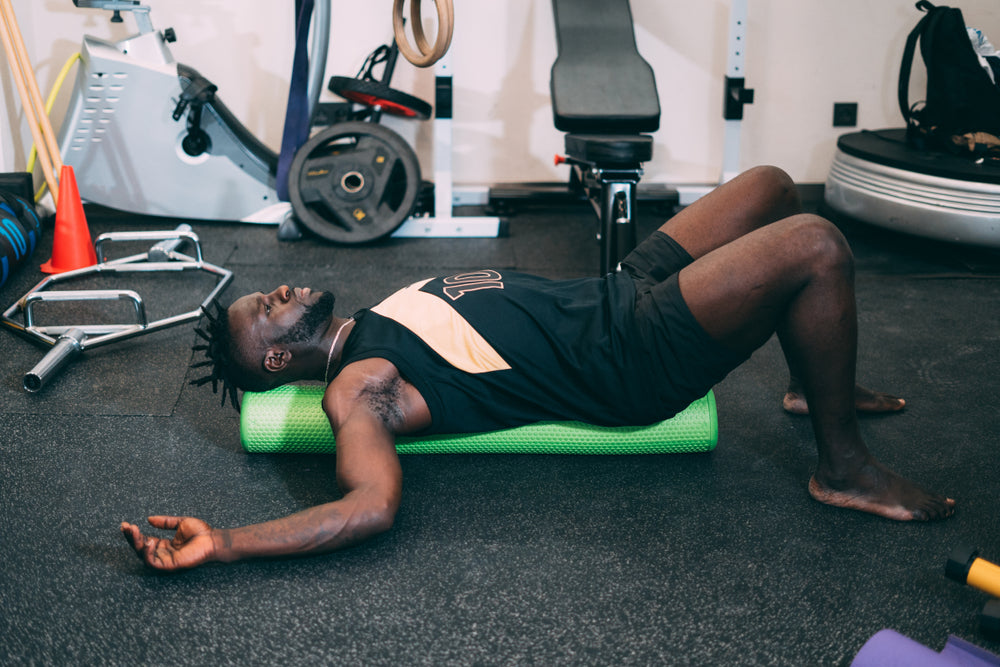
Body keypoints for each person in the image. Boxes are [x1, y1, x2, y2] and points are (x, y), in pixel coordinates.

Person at [121, 166, 955, 571]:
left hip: (620, 292)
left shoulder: (366, 321)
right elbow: (368, 506)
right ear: (277, 355)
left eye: (265, 290)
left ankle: (816, 382)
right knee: (814, 244)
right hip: (631, 357)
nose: (281, 286)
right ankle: (842, 468)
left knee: (771, 187)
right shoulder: (359, 384)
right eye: (269, 306)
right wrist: (227, 541)